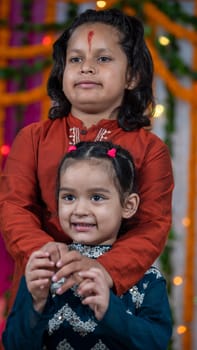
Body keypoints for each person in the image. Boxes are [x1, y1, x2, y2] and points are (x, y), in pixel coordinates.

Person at [0, 8, 174, 312]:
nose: (86, 68)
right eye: (76, 59)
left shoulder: (150, 149)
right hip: (40, 283)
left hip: (112, 299)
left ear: (132, 75)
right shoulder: (33, 138)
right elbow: (15, 207)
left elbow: (151, 226)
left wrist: (102, 270)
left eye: (103, 59)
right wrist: (45, 253)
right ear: (62, 71)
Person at [2, 141, 172, 350]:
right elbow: (15, 344)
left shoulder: (146, 278)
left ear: (128, 206)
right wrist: (35, 303)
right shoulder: (48, 269)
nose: (80, 209)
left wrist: (110, 311)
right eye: (69, 197)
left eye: (97, 197)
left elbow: (156, 343)